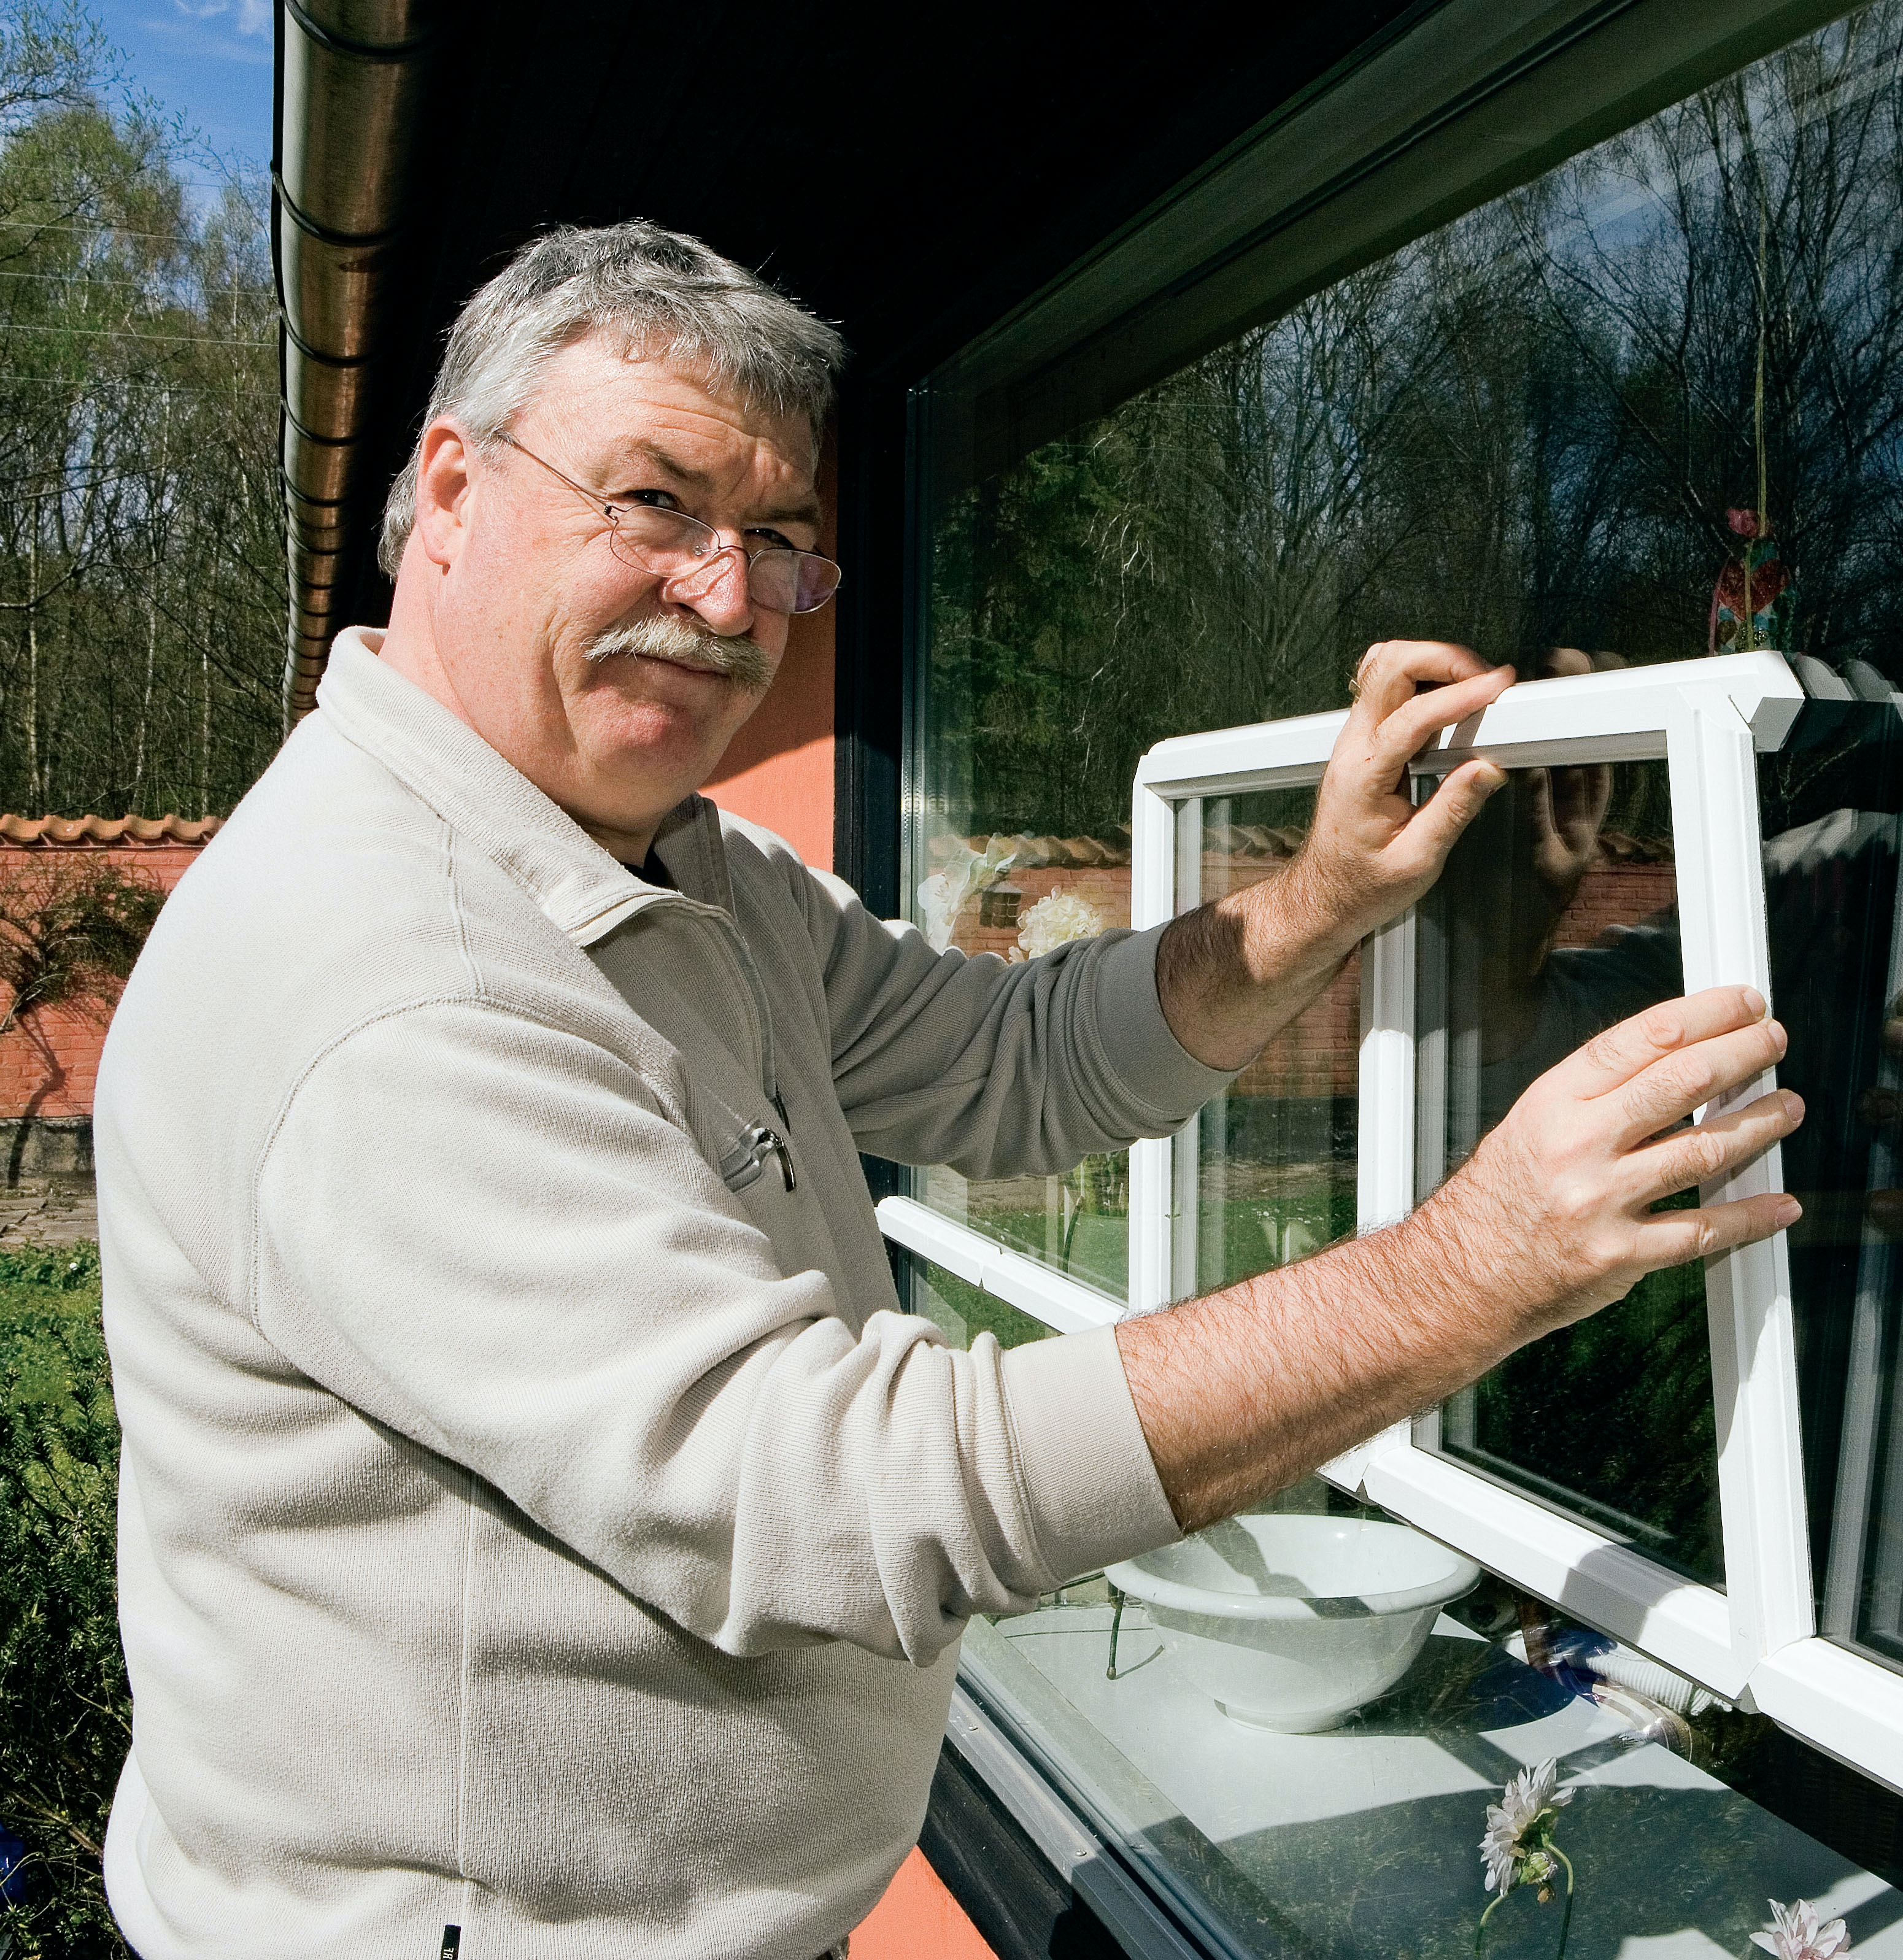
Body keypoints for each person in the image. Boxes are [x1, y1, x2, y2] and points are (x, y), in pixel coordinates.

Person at [95, 222, 1802, 1960]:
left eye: (779, 541)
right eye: (656, 502)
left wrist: (1315, 900)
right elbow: (843, 1495)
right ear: (455, 492)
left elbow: (1012, 1058)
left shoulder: (678, 866)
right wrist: (1457, 1279)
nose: (729, 600)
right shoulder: (391, 971)